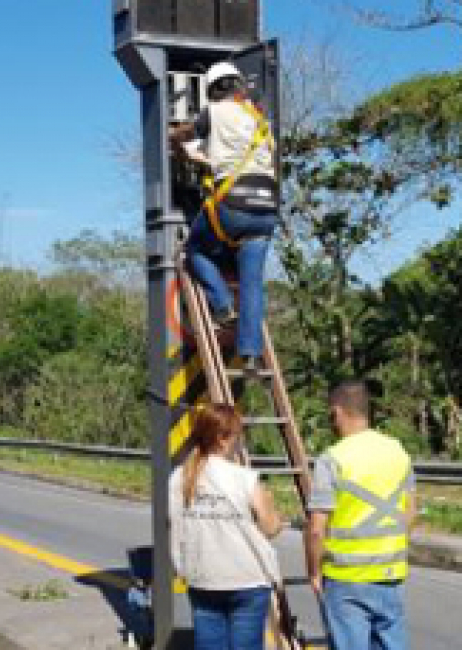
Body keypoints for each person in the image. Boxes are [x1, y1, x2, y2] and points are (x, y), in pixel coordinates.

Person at [171, 61, 279, 372]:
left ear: (213, 90)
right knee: (252, 282)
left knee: (195, 250)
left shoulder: (214, 112)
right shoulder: (258, 119)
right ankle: (249, 353)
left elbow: (189, 133)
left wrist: (173, 137)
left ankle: (221, 305)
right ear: (238, 85)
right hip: (266, 210)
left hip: (231, 206)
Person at [304, 380, 417, 650]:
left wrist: (313, 572)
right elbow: (410, 512)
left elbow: (316, 529)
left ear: (337, 411)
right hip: (390, 576)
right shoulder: (397, 451)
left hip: (346, 579)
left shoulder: (332, 459)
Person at [169, 403, 285, 650]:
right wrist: (273, 508)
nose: (239, 442)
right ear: (223, 439)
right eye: (237, 435)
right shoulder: (244, 478)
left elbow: (176, 526)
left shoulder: (179, 478)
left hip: (203, 578)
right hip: (246, 580)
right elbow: (271, 527)